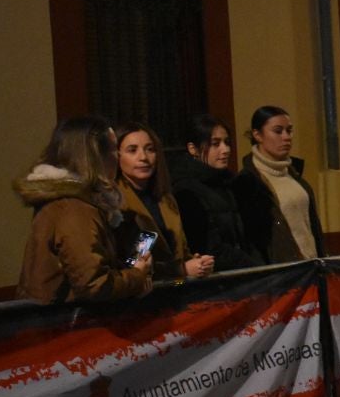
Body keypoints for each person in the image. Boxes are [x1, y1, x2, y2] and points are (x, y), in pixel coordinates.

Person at [14, 117, 154, 303]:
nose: (118, 156)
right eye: (113, 148)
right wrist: (136, 276)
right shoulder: (73, 208)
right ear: (95, 155)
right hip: (63, 325)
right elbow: (95, 285)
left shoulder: (75, 203)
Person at [114, 123, 215, 283]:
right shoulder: (116, 202)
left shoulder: (165, 198)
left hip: (175, 291)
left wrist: (197, 264)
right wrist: (181, 269)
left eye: (150, 149)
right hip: (139, 295)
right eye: (132, 150)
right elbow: (131, 262)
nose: (143, 157)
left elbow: (180, 251)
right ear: (117, 155)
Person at [234, 106, 323, 263]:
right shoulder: (248, 181)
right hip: (281, 272)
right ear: (257, 135)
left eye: (289, 130)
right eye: (278, 131)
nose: (286, 137)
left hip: (311, 266)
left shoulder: (294, 175)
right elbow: (254, 240)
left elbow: (311, 227)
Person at [170, 114, 258, 270]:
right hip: (215, 281)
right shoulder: (186, 191)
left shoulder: (227, 183)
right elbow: (206, 247)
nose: (225, 150)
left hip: (239, 277)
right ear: (193, 148)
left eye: (227, 142)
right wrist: (253, 266)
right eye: (215, 144)